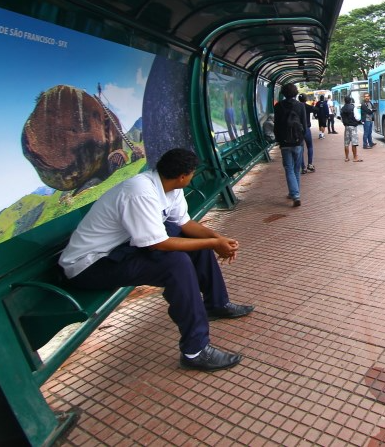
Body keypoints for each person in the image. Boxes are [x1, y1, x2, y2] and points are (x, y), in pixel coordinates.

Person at [58, 148, 253, 372]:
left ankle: (216, 304)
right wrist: (212, 244)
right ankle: (195, 351)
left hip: (120, 248)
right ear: (183, 176)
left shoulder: (170, 186)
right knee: (176, 264)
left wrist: (219, 239)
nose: (191, 177)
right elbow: (157, 244)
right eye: (191, 174)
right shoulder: (140, 191)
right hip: (89, 265)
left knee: (193, 243)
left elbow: (185, 225)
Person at [273, 83, 307, 206]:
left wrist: (279, 140)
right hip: (298, 142)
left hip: (285, 142)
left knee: (289, 168)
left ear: (283, 93)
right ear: (295, 93)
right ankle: (295, 193)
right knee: (296, 168)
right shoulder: (300, 106)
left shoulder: (278, 106)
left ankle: (295, 194)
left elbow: (276, 125)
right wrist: (302, 139)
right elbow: (304, 124)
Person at [339, 96, 362, 162]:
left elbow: (341, 119)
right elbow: (357, 118)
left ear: (344, 101)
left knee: (346, 143)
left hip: (346, 127)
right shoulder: (353, 108)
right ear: (350, 101)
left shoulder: (342, 109)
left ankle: (346, 157)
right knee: (354, 143)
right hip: (353, 127)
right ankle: (355, 157)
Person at [298, 94, 316, 173]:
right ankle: (310, 164)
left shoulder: (296, 107)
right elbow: (317, 109)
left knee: (301, 148)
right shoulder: (307, 107)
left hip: (298, 129)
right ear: (306, 99)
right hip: (307, 129)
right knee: (310, 146)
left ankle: (303, 167)